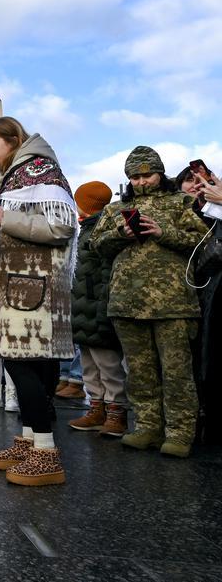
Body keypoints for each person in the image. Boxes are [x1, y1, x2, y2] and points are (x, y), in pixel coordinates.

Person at [0, 117, 77, 486]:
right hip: (12, 285)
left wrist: (6, 218)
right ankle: (29, 441)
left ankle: (46, 453)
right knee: (25, 365)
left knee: (23, 366)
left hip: (34, 285)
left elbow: (62, 226)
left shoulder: (41, 171)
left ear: (14, 140)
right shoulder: (9, 178)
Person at [91, 146, 205, 458]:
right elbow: (96, 245)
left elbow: (204, 242)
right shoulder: (116, 210)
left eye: (147, 174)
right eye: (135, 177)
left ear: (160, 173)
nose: (141, 181)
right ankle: (146, 427)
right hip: (127, 302)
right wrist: (121, 233)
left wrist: (163, 231)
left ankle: (180, 432)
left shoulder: (180, 203)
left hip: (174, 304)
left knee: (176, 373)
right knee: (140, 373)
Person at [68, 181, 128, 436]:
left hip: (96, 307)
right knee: (89, 363)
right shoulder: (86, 229)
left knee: (108, 364)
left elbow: (105, 275)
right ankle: (96, 407)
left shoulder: (101, 231)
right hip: (83, 307)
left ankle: (116, 411)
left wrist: (104, 308)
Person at [177, 163, 222, 442]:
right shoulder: (187, 211)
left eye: (200, 180)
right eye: (188, 180)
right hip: (196, 291)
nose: (195, 185)